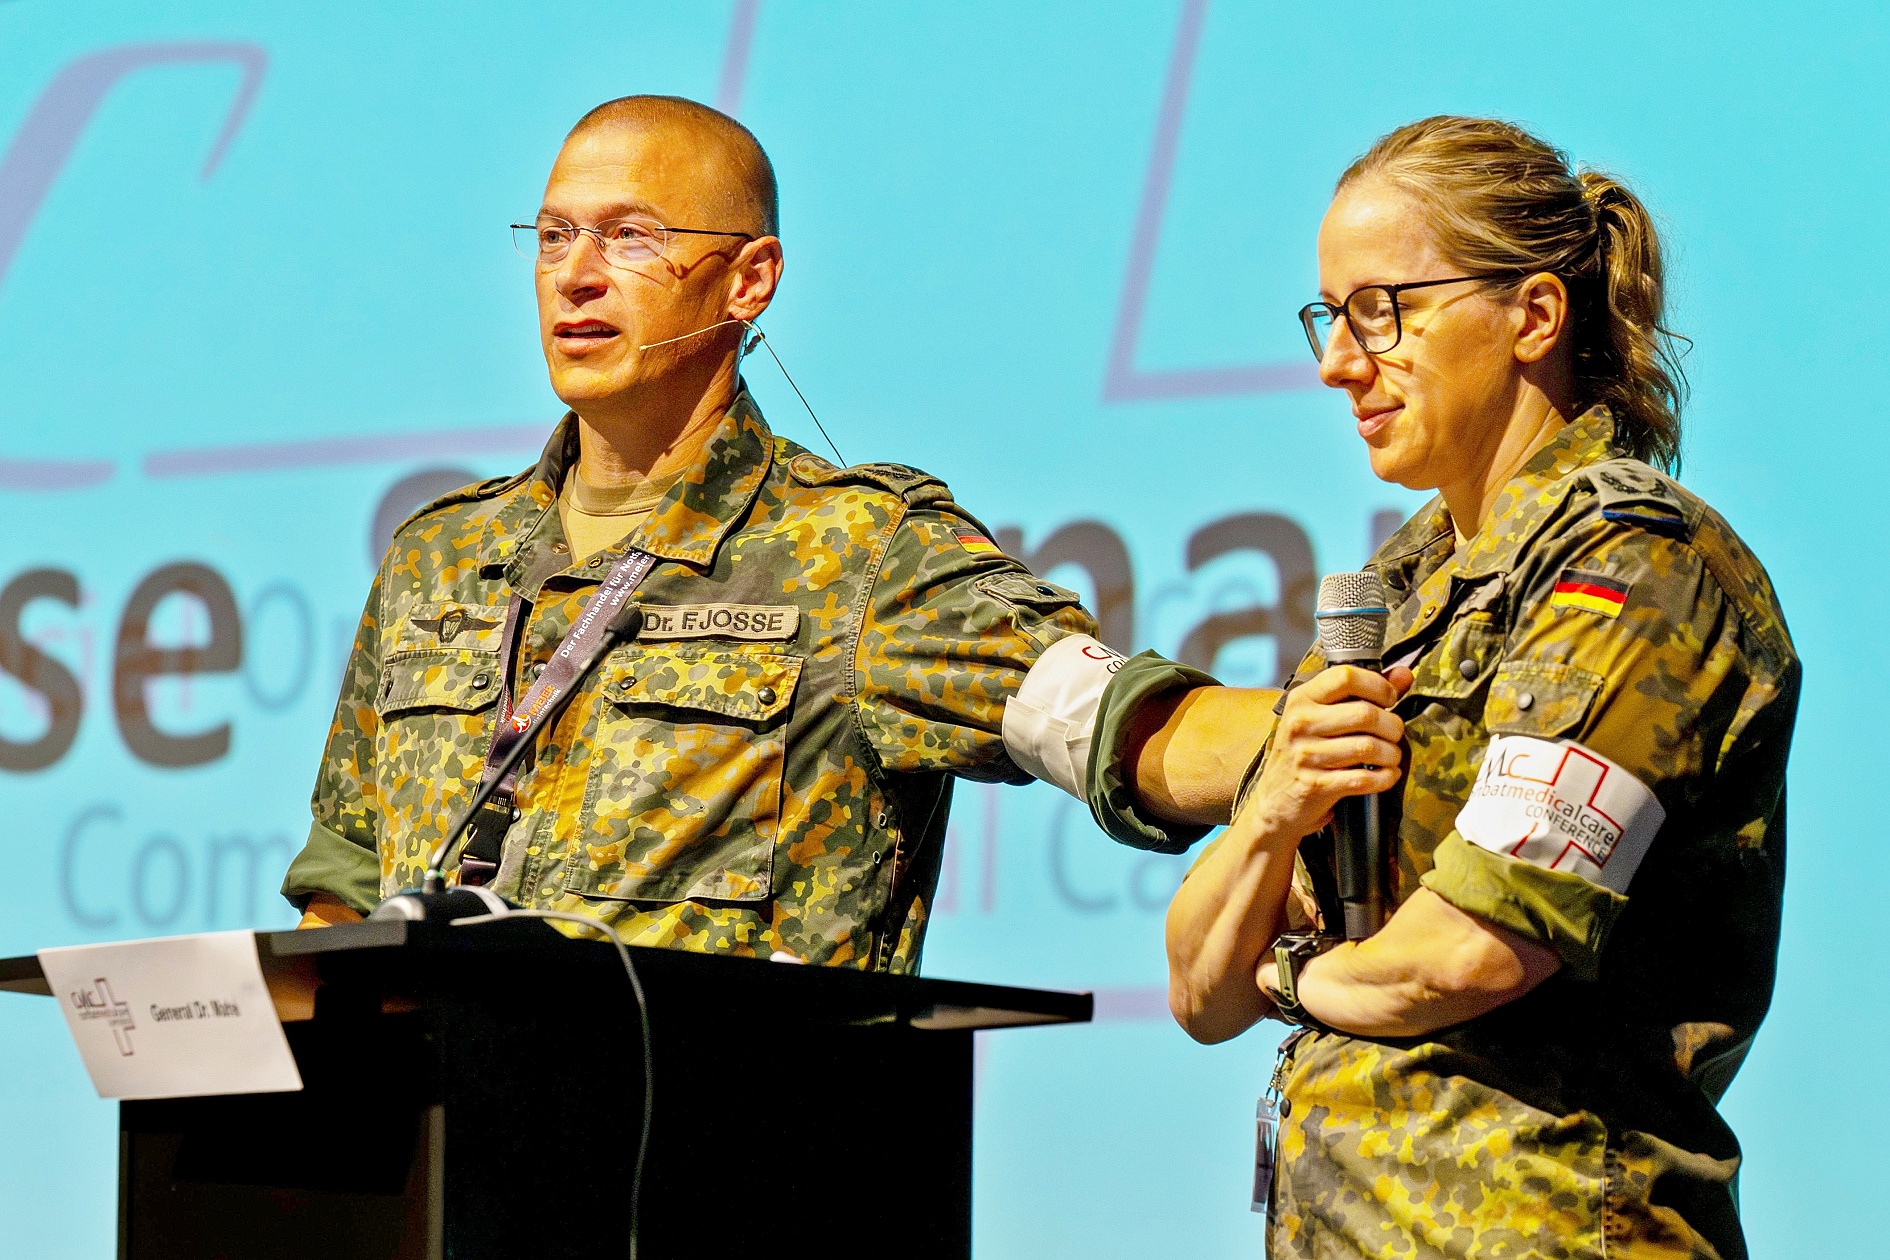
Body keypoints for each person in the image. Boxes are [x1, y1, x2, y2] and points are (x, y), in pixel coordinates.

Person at [281, 94, 1271, 970]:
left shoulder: (859, 553)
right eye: (551, 237)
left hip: (736, 1152)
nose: (574, 275)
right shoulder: (439, 558)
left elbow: (1119, 723)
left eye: (629, 237)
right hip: (451, 1155)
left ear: (750, 280)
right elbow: (347, 884)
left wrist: (1312, 747)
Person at [1165, 116, 1798, 1259]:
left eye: (1382, 311)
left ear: (1533, 316)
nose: (1337, 362)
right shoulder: (1398, 590)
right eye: (1329, 315)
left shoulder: (1632, 565)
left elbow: (1472, 952)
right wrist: (1268, 815)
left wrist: (1291, 971)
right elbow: (1199, 984)